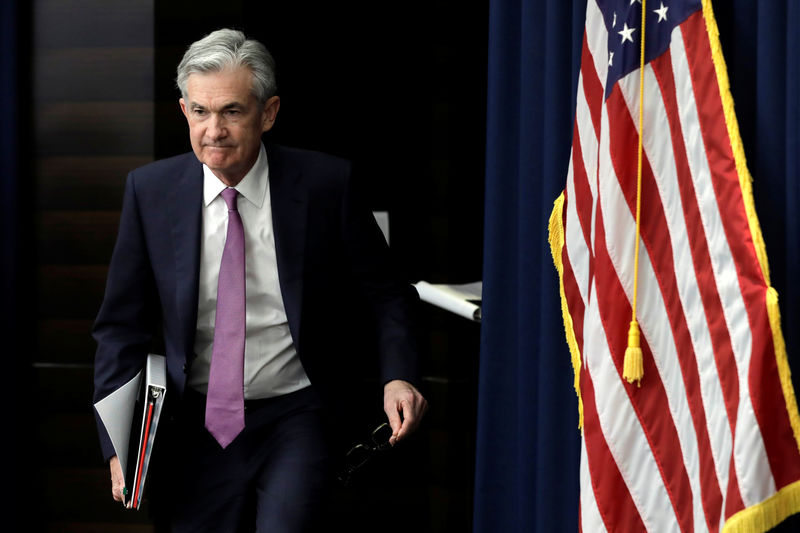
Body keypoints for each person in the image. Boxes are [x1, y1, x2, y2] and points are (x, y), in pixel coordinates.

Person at [92, 28, 427, 532]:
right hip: (194, 423)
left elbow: (387, 295)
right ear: (183, 110)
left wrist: (398, 375)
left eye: (231, 111)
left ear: (268, 113)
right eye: (200, 112)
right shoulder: (150, 191)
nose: (214, 130)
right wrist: (121, 445)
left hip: (296, 414)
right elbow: (121, 327)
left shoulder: (325, 185)